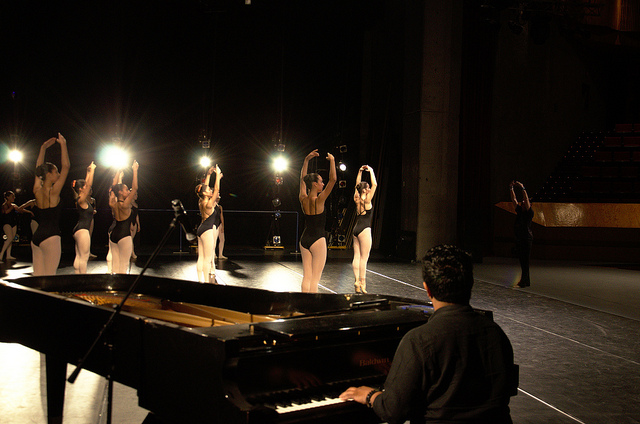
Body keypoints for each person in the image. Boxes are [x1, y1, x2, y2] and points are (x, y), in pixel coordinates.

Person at [339, 244, 518, 424]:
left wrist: (370, 395)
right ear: (470, 284)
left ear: (428, 289)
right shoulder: (496, 334)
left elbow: (393, 411)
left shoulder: (419, 340)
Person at [31, 133, 70, 276]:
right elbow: (66, 166)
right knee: (50, 279)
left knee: (38, 280)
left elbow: (38, 170)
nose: (59, 174)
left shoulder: (36, 190)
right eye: (56, 172)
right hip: (51, 237)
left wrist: (43, 148)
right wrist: (63, 144)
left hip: (36, 238)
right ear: (48, 175)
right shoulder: (53, 192)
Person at [299, 149, 337, 293]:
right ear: (314, 184)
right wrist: (332, 161)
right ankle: (312, 307)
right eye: (321, 182)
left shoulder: (303, 199)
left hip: (304, 240)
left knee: (306, 277)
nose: (323, 184)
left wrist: (306, 160)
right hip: (317, 240)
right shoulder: (319, 200)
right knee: (315, 278)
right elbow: (333, 180)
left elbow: (302, 180)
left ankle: (303, 304)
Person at [108, 161, 138, 274]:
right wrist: (135, 170)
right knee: (123, 267)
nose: (128, 191)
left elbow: (112, 188)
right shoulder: (125, 205)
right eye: (126, 190)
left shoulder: (113, 203)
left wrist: (117, 173)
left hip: (114, 235)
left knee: (115, 266)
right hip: (124, 236)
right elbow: (135, 188)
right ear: (120, 192)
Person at [352, 165, 377, 293]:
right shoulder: (367, 200)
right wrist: (371, 171)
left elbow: (357, 184)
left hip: (356, 229)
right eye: (367, 188)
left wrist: (360, 171)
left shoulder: (357, 198)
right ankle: (363, 282)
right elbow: (375, 185)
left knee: (356, 256)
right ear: (366, 190)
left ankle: (356, 281)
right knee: (364, 258)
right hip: (365, 229)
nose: (369, 189)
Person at [195, 165, 222, 283]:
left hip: (200, 229)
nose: (210, 190)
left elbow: (205, 188)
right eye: (208, 190)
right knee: (206, 259)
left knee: (201, 257)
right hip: (207, 231)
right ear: (205, 194)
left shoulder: (201, 201)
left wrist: (209, 174)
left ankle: (200, 281)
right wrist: (217, 177)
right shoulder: (209, 204)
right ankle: (206, 283)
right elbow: (216, 190)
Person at [72, 162, 96, 274]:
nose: (87, 188)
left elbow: (87, 185)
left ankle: (77, 278)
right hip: (82, 230)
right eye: (85, 187)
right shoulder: (81, 199)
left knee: (79, 256)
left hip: (78, 229)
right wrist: (93, 172)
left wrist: (88, 172)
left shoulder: (80, 198)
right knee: (83, 258)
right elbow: (89, 185)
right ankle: (83, 280)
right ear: (81, 189)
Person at [510, 180, 533, 288]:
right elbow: (514, 200)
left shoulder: (529, 213)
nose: (522, 202)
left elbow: (527, 200)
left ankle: (525, 280)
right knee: (522, 260)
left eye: (524, 202)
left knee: (525, 260)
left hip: (526, 238)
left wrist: (522, 188)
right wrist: (511, 189)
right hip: (520, 238)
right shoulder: (519, 210)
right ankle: (525, 280)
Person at [0, 192, 34, 262]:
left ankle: (8, 255)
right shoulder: (5, 205)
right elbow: (6, 212)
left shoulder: (13, 205)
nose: (14, 198)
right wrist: (12, 207)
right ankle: (1, 254)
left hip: (13, 223)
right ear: (7, 197)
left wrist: (29, 212)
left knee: (11, 239)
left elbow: (19, 209)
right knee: (9, 238)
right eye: (12, 196)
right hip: (7, 223)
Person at [130, 192, 140, 260]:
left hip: (135, 222)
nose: (136, 195)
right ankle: (132, 253)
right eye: (135, 194)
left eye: (137, 194)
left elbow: (136, 215)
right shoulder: (129, 204)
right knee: (130, 239)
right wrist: (130, 223)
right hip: (130, 222)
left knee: (132, 239)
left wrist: (138, 224)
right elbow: (128, 214)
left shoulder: (136, 204)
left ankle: (131, 252)